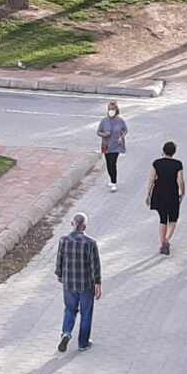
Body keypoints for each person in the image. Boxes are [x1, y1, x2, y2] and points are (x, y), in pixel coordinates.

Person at [55, 212, 103, 352]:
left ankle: (66, 333)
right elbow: (95, 265)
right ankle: (83, 343)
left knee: (70, 309)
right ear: (84, 227)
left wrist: (59, 275)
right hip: (86, 284)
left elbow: (60, 260)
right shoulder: (90, 243)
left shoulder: (63, 240)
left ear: (72, 224)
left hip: (69, 283)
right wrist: (98, 283)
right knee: (86, 313)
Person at [146, 141, 185, 255]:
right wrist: (182, 192)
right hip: (172, 193)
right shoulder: (178, 164)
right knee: (173, 219)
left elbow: (152, 179)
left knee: (163, 218)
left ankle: (162, 242)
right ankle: (166, 240)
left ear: (163, 150)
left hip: (159, 193)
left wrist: (148, 194)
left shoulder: (156, 163)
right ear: (174, 152)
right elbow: (180, 180)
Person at [96, 101, 127, 192]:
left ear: (116, 110)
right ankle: (111, 179)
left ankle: (114, 183)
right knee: (108, 163)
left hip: (116, 145)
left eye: (112, 109)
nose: (111, 111)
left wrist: (121, 137)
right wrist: (104, 134)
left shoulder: (120, 121)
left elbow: (125, 130)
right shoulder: (104, 121)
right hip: (106, 145)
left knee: (113, 163)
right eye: (109, 109)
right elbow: (98, 132)